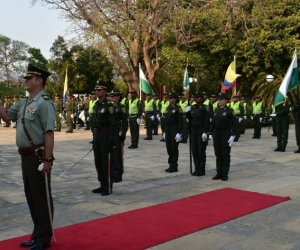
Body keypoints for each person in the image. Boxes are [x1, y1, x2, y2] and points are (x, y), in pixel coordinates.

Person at [0, 63, 55, 250]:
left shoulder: (44, 103)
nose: (25, 80)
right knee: (31, 196)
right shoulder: (25, 102)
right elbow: (7, 116)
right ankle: (36, 233)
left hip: (38, 156)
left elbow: (49, 133)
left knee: (41, 196)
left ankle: (44, 238)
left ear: (39, 81)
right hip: (25, 156)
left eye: (29, 78)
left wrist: (48, 159)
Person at [91, 84, 116, 196]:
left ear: (105, 92)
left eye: (100, 90)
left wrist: (111, 139)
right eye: (96, 90)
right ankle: (102, 183)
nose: (97, 92)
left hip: (105, 135)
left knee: (106, 161)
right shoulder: (96, 105)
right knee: (98, 161)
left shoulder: (109, 106)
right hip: (97, 135)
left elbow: (112, 123)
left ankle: (108, 185)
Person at [210, 93, 236, 181]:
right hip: (216, 133)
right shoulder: (216, 110)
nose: (219, 101)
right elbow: (213, 122)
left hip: (226, 133)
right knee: (218, 153)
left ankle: (225, 173)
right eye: (219, 99)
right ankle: (219, 172)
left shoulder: (229, 111)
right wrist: (210, 132)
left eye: (221, 99)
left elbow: (235, 124)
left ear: (226, 100)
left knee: (225, 154)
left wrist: (233, 135)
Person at [186, 92, 209, 176]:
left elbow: (207, 120)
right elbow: (190, 119)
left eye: (197, 97)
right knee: (194, 150)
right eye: (194, 97)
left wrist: (206, 132)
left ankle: (201, 169)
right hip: (193, 130)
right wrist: (187, 112)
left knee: (201, 151)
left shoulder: (204, 108)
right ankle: (196, 168)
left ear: (202, 98)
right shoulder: (193, 107)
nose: (195, 99)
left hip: (201, 130)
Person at [107, 89, 128, 183]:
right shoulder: (110, 107)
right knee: (112, 154)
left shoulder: (121, 107)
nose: (111, 98)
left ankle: (118, 174)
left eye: (113, 96)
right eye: (111, 96)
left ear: (118, 97)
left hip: (118, 132)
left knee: (118, 154)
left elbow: (125, 122)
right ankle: (113, 172)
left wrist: (123, 133)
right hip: (111, 132)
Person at [164, 92, 182, 173]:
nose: (170, 99)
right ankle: (170, 164)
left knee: (174, 147)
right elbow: (165, 120)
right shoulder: (168, 108)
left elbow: (180, 121)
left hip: (175, 128)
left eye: (171, 98)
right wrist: (164, 131)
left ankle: (174, 166)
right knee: (169, 147)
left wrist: (179, 132)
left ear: (175, 99)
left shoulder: (178, 108)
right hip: (168, 129)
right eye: (169, 98)